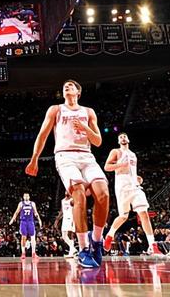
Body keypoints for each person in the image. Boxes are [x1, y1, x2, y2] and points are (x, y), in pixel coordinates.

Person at [25, 80, 108, 268]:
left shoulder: (88, 112)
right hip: (65, 156)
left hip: (87, 156)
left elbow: (97, 141)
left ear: (78, 92)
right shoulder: (56, 109)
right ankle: (83, 248)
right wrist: (34, 158)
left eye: (71, 85)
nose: (66, 87)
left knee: (103, 195)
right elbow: (42, 135)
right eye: (65, 86)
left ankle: (96, 241)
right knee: (79, 194)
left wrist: (84, 128)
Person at [103, 133, 163, 255]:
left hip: (135, 186)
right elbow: (107, 167)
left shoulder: (133, 155)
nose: (123, 138)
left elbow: (131, 171)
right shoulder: (116, 151)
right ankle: (109, 235)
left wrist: (137, 177)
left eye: (124, 136)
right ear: (118, 141)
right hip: (122, 186)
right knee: (123, 216)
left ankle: (153, 246)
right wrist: (120, 164)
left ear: (128, 139)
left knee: (144, 214)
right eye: (120, 137)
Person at [9, 193, 42, 259]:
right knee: (23, 237)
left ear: (29, 197)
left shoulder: (32, 203)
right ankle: (23, 253)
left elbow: (36, 212)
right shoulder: (21, 203)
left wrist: (39, 220)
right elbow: (16, 212)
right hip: (23, 222)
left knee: (33, 237)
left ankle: (34, 253)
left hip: (30, 221)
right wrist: (12, 219)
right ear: (23, 197)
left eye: (27, 196)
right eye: (25, 196)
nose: (26, 197)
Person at [54, 192, 77, 258]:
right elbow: (62, 211)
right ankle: (73, 249)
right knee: (64, 236)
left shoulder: (72, 200)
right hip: (65, 219)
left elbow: (75, 210)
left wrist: (74, 219)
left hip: (71, 218)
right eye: (66, 191)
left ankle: (71, 252)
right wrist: (57, 220)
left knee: (70, 235)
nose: (67, 192)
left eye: (68, 191)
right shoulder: (63, 201)